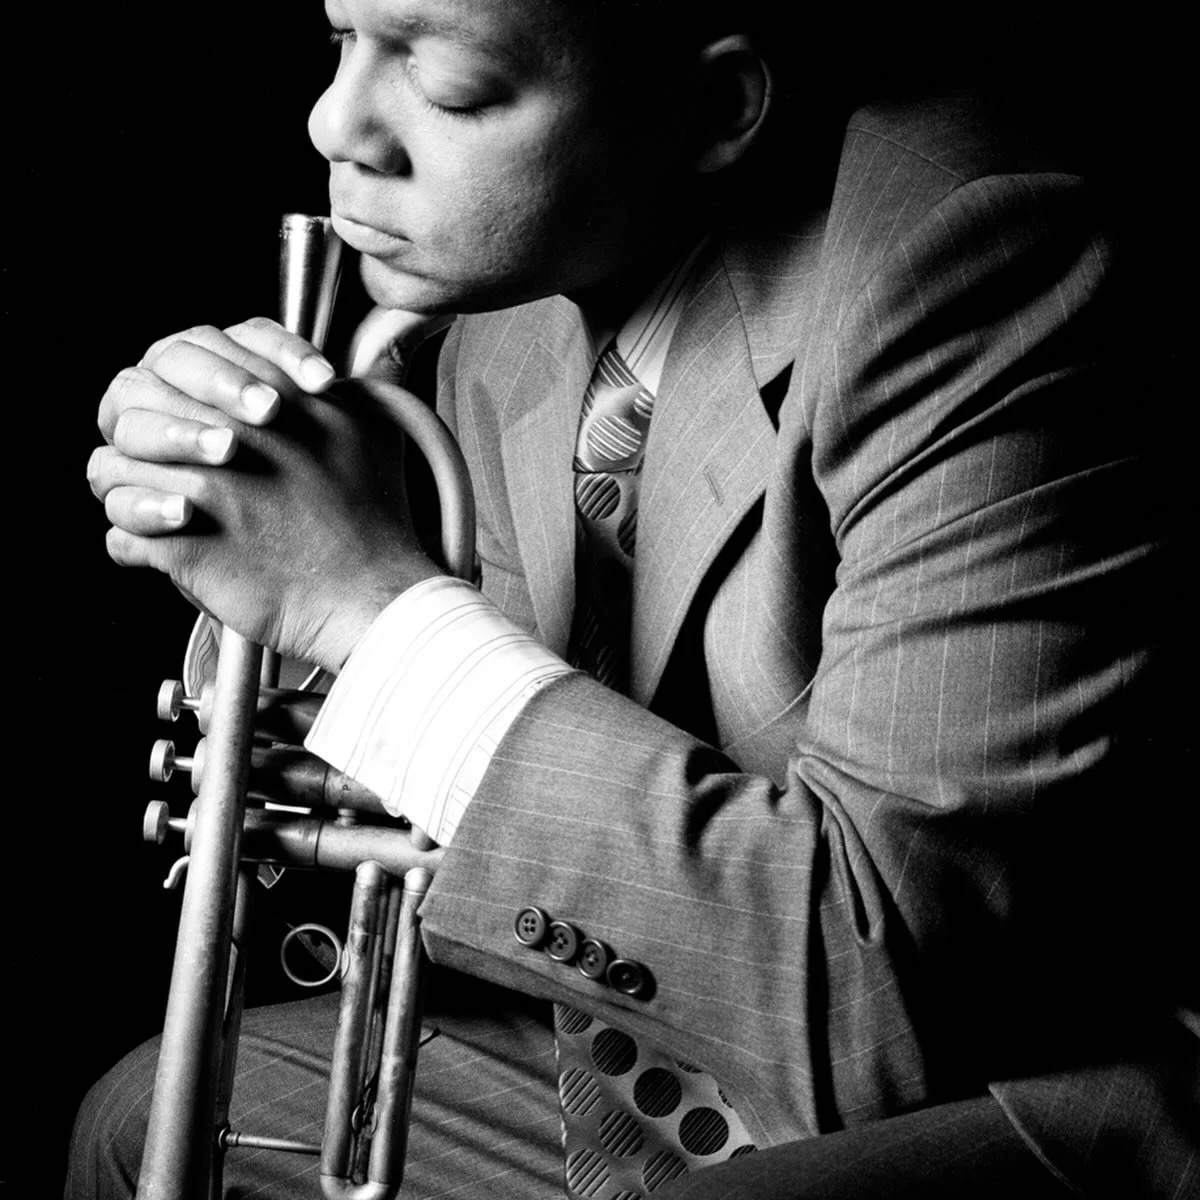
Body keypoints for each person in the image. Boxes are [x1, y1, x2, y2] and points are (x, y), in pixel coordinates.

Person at [70, 0, 1196, 1197]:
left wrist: (370, 612)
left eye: (448, 86)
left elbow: (889, 1002)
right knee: (137, 1125)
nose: (336, 122)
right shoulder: (504, 291)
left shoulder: (975, 259)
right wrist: (250, 519)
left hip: (1020, 1085)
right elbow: (498, 773)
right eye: (340, 41)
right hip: (659, 1050)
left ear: (717, 110)